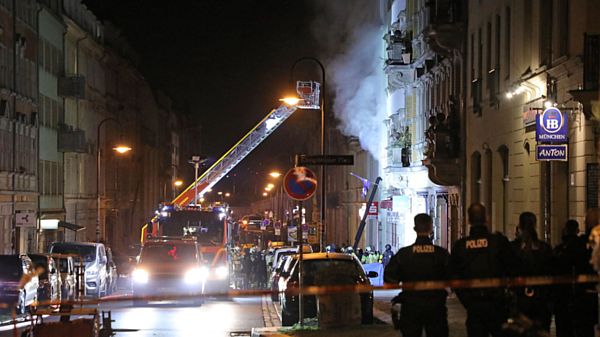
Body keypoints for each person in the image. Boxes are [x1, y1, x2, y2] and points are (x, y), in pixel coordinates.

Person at [450, 203, 518, 337]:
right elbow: (513, 267)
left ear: (468, 220)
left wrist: (466, 300)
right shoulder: (498, 241)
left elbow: (454, 276)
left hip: (474, 305)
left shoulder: (461, 246)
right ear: (487, 218)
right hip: (497, 303)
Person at [384, 213, 450, 337]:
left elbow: (389, 278)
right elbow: (453, 276)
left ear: (415, 229)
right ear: (431, 228)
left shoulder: (404, 254)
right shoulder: (441, 254)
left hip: (411, 306)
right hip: (436, 306)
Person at [510, 212, 553, 331]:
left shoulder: (513, 248)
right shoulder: (544, 248)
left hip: (519, 300)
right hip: (541, 300)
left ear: (520, 226)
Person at [562, 208, 600, 337]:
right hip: (585, 295)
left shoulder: (577, 243)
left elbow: (565, 264)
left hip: (583, 296)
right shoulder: (579, 243)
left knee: (584, 329)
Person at [553, 219, 580, 337]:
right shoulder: (582, 247)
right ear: (577, 230)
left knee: (562, 327)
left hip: (561, 295)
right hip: (578, 295)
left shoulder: (559, 249)